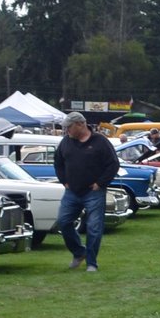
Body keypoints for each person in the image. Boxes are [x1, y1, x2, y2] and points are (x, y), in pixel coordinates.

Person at [52, 112, 118, 271]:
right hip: (72, 192)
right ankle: (79, 252)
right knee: (63, 222)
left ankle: (91, 263)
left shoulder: (100, 141)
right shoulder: (66, 142)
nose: (67, 130)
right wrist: (64, 181)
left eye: (69, 127)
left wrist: (100, 183)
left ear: (81, 124)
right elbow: (58, 162)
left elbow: (113, 164)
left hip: (93, 192)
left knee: (94, 227)